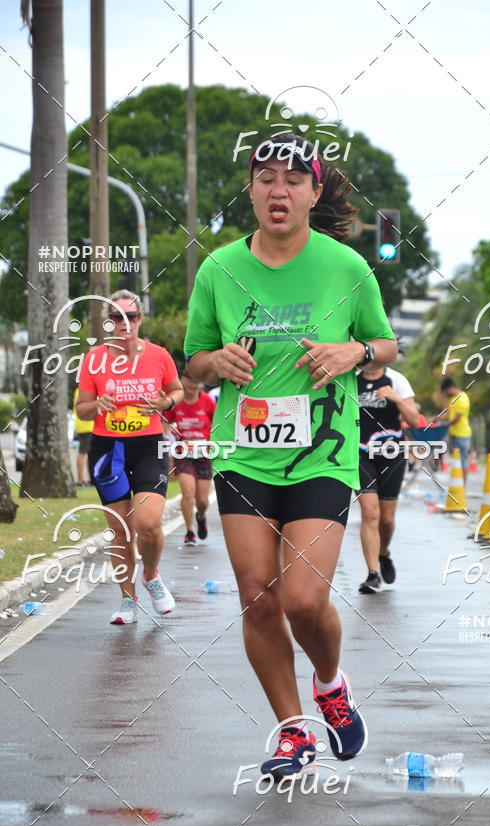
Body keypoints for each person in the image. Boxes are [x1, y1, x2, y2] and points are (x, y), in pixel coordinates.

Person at [185, 134, 397, 779]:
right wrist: (214, 362)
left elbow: (387, 344)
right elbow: (192, 362)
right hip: (243, 453)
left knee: (304, 599)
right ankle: (291, 730)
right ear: (250, 189)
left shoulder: (345, 267)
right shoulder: (217, 269)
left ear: (314, 192)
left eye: (293, 180)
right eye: (266, 178)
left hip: (321, 452)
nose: (279, 191)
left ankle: (330, 685)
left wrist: (353, 353)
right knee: (257, 596)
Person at [76, 290, 183, 625]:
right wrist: (98, 406)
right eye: (117, 317)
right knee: (120, 530)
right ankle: (127, 599)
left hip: (148, 445)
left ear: (140, 319)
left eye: (131, 316)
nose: (125, 323)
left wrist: (164, 403)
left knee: (148, 522)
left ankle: (150, 576)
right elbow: (81, 407)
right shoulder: (94, 359)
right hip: (108, 450)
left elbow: (176, 390)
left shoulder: (158, 355)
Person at [356, 362, 419, 592]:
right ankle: (373, 574)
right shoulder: (351, 379)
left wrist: (396, 399)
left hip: (391, 455)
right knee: (370, 512)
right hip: (360, 454)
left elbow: (413, 420)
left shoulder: (396, 380)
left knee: (386, 519)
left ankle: (384, 553)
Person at [164, 370, 216, 545]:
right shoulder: (176, 402)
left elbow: (217, 426)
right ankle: (189, 531)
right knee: (187, 493)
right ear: (182, 380)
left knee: (202, 500)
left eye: (197, 379)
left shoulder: (207, 401)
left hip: (204, 454)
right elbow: (165, 424)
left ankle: (200, 516)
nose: (193, 383)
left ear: (202, 382)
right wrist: (168, 435)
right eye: (189, 378)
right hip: (183, 453)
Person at [438, 376, 472, 483]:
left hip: (463, 435)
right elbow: (449, 414)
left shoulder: (462, 398)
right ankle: (458, 483)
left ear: (449, 388)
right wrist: (436, 418)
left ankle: (463, 485)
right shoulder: (453, 399)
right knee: (456, 460)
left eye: (445, 392)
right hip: (453, 434)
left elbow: (456, 419)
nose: (445, 395)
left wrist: (443, 425)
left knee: (463, 460)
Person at [72, 386, 92, 486]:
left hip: (82, 425)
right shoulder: (84, 390)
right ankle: (81, 479)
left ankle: (88, 478)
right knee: (84, 452)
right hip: (87, 425)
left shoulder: (77, 391)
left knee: (85, 452)